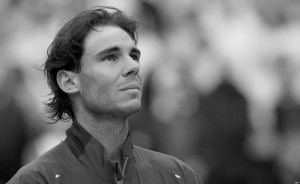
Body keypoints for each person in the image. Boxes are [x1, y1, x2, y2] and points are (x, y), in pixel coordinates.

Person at [7, 6, 202, 184]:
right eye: (110, 57)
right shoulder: (36, 180)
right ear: (69, 81)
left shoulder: (178, 176)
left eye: (133, 56)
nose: (134, 66)